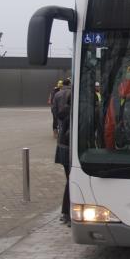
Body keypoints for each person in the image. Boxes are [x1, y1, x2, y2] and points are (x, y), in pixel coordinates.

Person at [52, 78, 72, 225]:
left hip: (62, 148)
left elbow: (54, 110)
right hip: (69, 148)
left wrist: (55, 127)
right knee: (72, 180)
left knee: (70, 180)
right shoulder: (77, 113)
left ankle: (66, 213)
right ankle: (67, 213)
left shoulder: (64, 109)